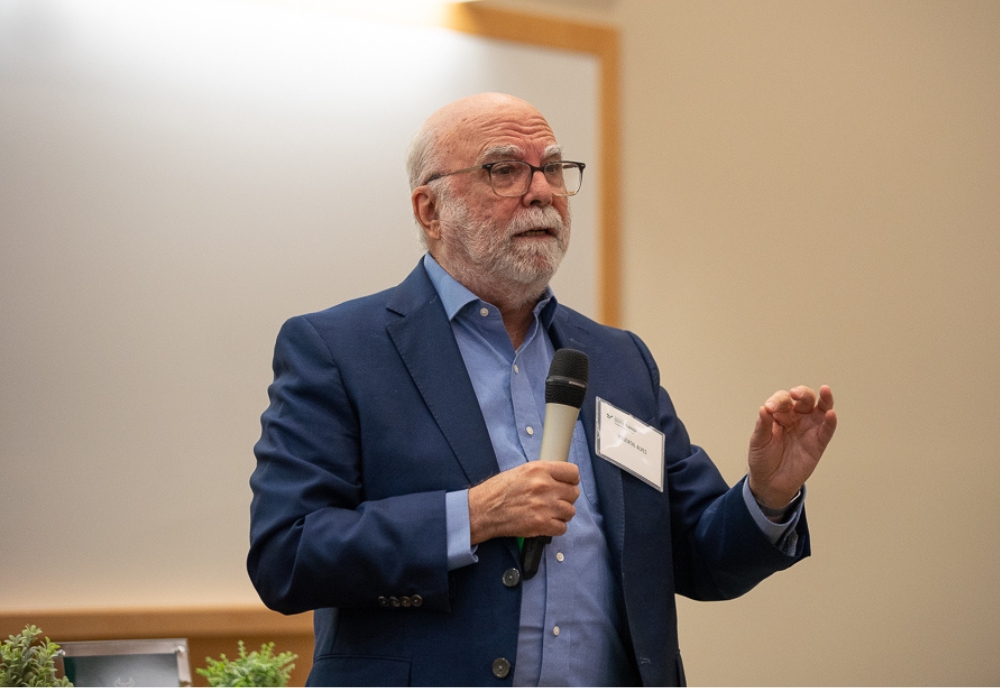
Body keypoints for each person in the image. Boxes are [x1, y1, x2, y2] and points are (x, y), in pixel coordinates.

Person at [248, 92, 837, 687]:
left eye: (552, 168)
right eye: (504, 169)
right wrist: (472, 516)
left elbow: (699, 558)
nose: (541, 191)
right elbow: (287, 555)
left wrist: (766, 495)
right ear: (430, 210)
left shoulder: (617, 359)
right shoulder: (340, 348)